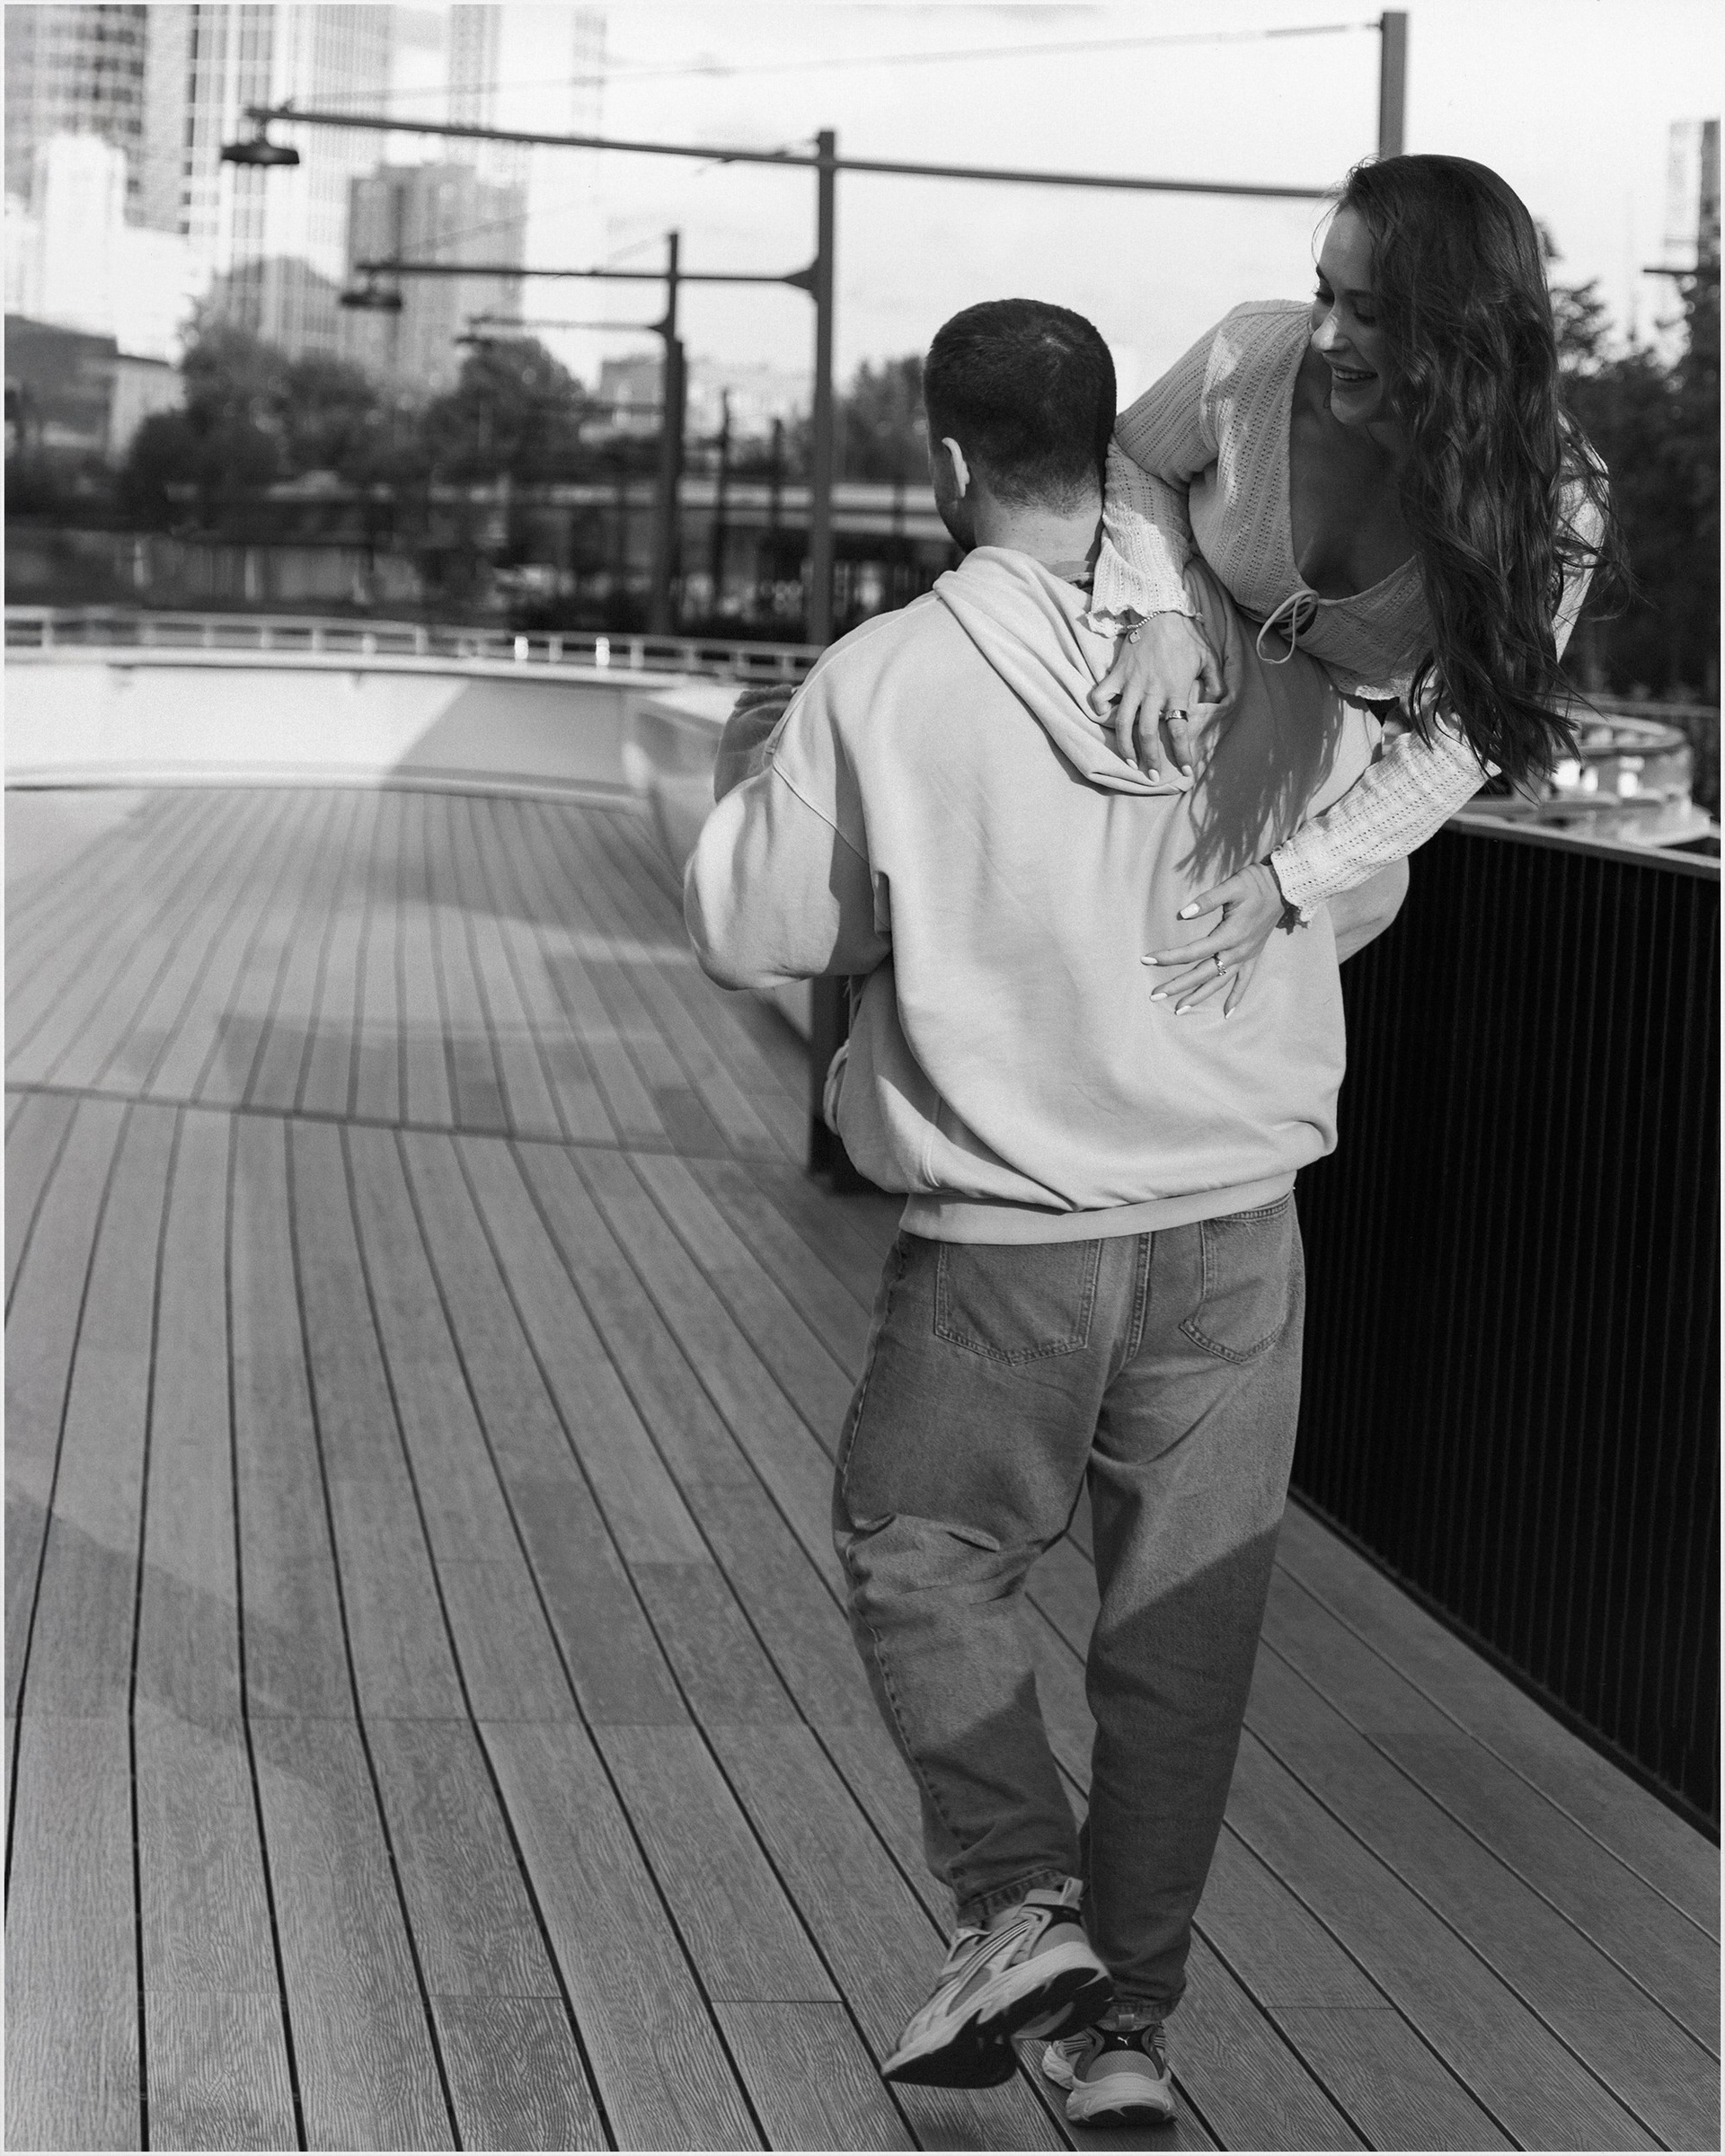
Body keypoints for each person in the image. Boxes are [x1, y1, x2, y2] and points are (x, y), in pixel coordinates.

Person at [685, 297, 1408, 2127]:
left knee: (921, 1550)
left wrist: (755, 775)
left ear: (946, 460)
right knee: (1181, 1640)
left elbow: (757, 929)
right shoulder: (1259, 659)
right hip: (1237, 1229)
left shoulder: (883, 680)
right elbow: (1360, 890)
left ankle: (1019, 1904)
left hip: (1010, 1243)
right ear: (1112, 453)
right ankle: (1119, 2033)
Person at [1093, 152, 1618, 1013]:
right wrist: (1156, 612)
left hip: (1304, 788)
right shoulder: (1250, 354)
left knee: (1235, 988)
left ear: (1463, 329)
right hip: (1171, 699)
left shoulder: (1554, 504)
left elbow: (1467, 734)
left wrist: (1291, 879)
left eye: (1367, 312)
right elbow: (1133, 457)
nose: (1326, 334)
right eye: (1324, 294)